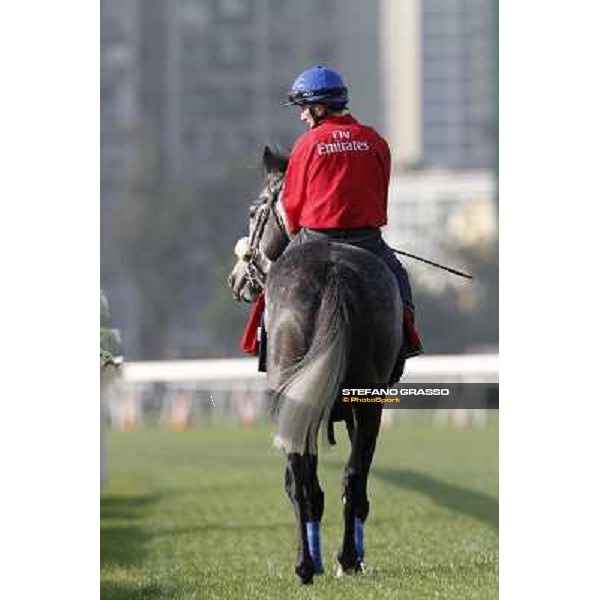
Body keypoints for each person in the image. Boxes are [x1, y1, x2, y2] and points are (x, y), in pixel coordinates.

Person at [281, 65, 423, 374]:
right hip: (367, 241)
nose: (301, 115)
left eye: (304, 108)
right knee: (399, 281)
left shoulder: (306, 145)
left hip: (315, 240)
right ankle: (407, 341)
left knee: (276, 286)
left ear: (319, 108)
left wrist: (295, 232)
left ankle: (269, 349)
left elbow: (291, 203)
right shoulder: (375, 141)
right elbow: (379, 194)